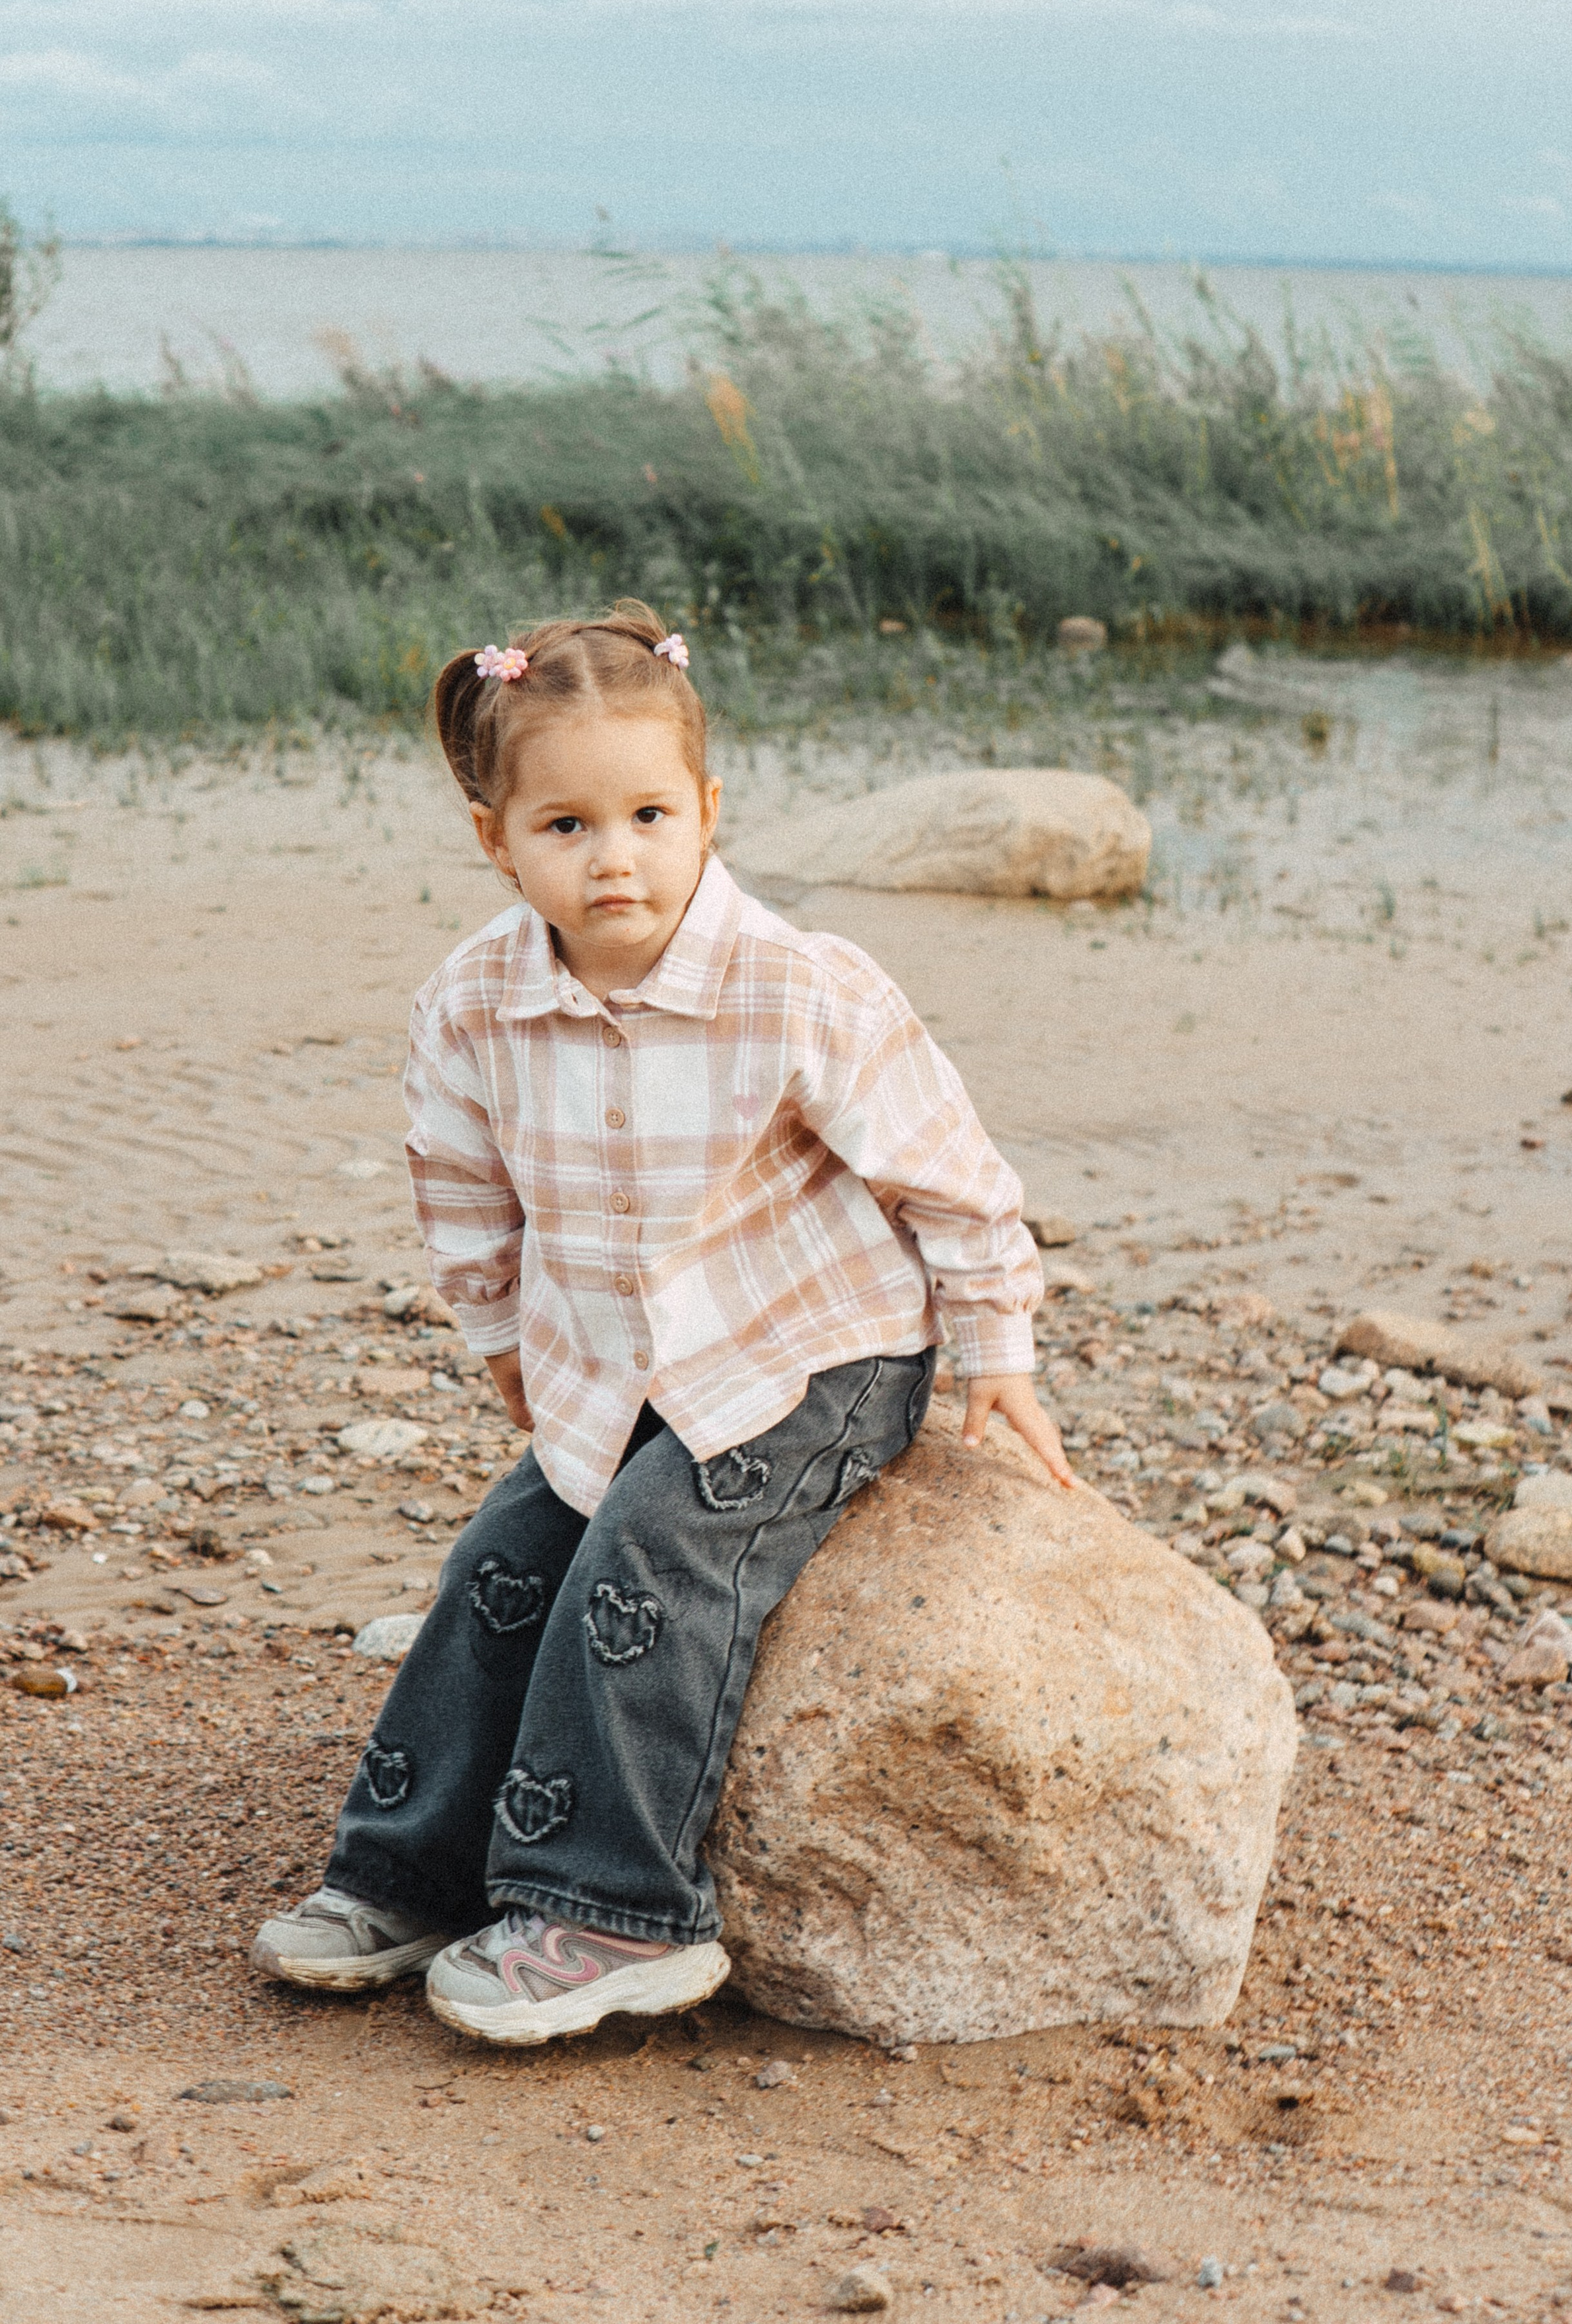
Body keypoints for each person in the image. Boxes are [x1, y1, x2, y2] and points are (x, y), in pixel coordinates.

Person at [251, 599, 1071, 2047]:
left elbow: (950, 1179)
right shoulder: (473, 1004)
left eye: (644, 815)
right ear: (494, 839)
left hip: (813, 1352)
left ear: (706, 811)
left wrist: (995, 1352)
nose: (611, 855)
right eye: (563, 826)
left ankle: (613, 1911)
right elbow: (460, 1189)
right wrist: (506, 1342)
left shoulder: (798, 987)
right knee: (505, 1559)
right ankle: (414, 1870)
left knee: (654, 1551)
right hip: (611, 1359)